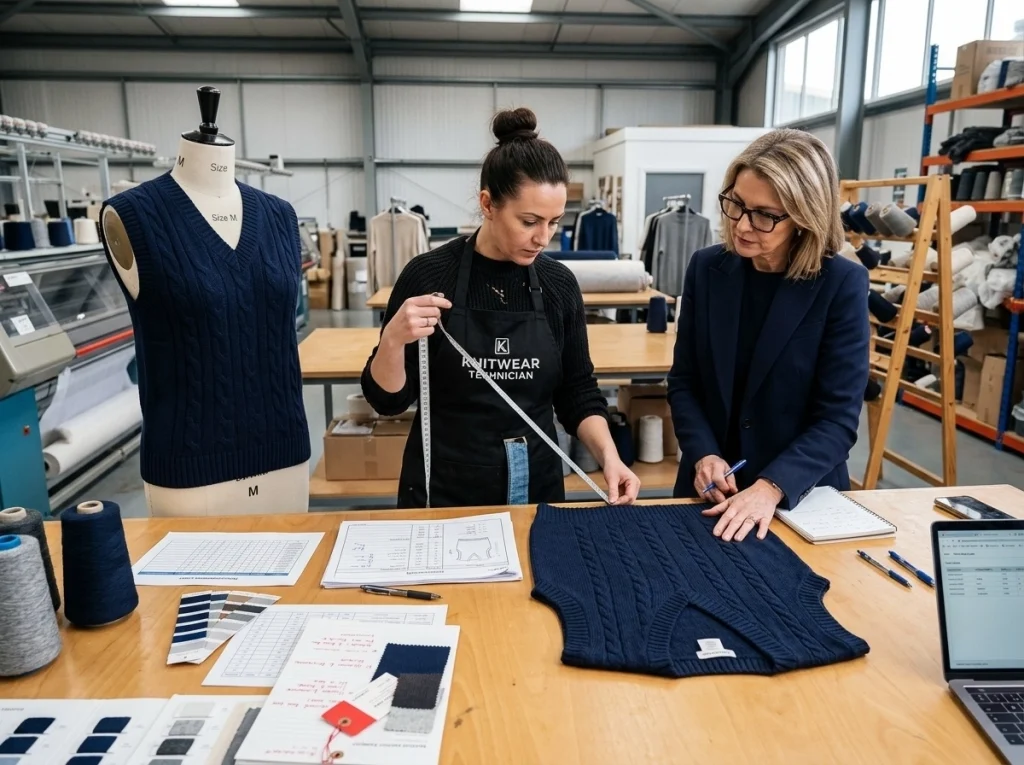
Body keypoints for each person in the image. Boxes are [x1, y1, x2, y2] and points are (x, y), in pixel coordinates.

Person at [361, 107, 640, 509]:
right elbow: (387, 402)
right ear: (488, 204)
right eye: (529, 221)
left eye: (554, 222)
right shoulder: (428, 277)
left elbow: (578, 392)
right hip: (445, 483)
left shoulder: (559, 285)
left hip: (538, 479)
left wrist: (610, 459)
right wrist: (391, 341)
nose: (543, 237)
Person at [667, 128, 869, 543]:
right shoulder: (707, 269)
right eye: (736, 204)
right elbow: (685, 380)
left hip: (802, 498)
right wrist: (703, 454)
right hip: (710, 491)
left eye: (764, 214)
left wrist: (771, 486)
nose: (742, 225)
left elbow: (837, 420)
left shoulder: (841, 284)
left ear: (804, 216)